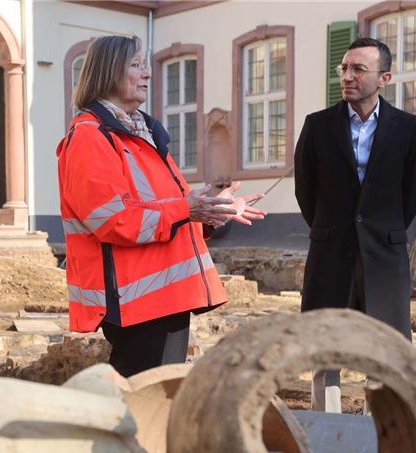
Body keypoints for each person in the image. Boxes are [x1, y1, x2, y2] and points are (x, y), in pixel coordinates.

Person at [57, 35, 265, 377]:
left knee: (156, 401)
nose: (147, 74)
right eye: (136, 65)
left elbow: (171, 213)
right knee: (141, 404)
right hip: (135, 303)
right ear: (110, 72)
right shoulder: (91, 138)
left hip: (163, 299)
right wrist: (187, 208)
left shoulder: (141, 135)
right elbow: (114, 221)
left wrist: (213, 211)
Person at [293, 37, 416, 410]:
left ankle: (376, 436)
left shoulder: (406, 128)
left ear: (384, 78)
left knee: (384, 352)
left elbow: (411, 191)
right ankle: (329, 433)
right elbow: (306, 190)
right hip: (330, 252)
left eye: (359, 69)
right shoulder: (318, 126)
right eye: (344, 68)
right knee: (326, 352)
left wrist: (379, 231)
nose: (347, 76)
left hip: (384, 257)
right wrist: (331, 228)